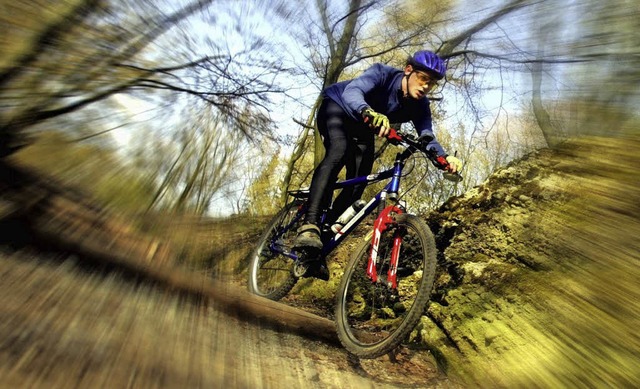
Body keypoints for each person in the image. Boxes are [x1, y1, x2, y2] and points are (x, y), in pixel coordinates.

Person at [294, 50, 462, 254]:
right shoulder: (383, 74)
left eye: (431, 83)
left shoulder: (420, 105)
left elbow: (426, 135)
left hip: (363, 127)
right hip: (338, 107)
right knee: (339, 150)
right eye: (423, 78)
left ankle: (322, 236)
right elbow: (353, 91)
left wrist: (444, 158)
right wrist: (368, 111)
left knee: (359, 182)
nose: (426, 86)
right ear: (408, 70)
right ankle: (309, 225)